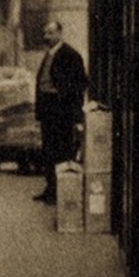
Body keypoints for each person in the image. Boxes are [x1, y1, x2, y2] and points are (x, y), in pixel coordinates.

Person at [33, 20, 88, 204]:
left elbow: (80, 84)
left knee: (61, 151)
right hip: (48, 110)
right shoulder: (49, 55)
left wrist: (72, 110)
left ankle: (59, 191)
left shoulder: (70, 55)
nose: (46, 36)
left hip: (61, 111)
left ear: (59, 33)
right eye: (45, 33)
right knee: (48, 151)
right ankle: (50, 188)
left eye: (50, 33)